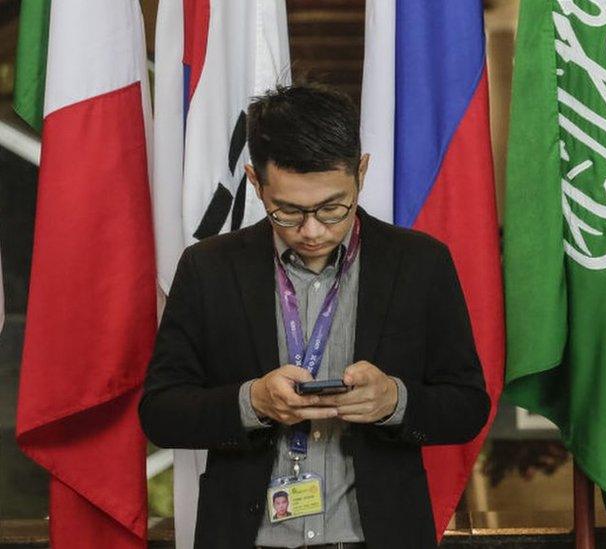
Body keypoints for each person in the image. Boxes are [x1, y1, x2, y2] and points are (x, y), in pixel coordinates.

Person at [139, 83, 490, 549]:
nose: (310, 231)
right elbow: (161, 413)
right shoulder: (209, 268)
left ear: (360, 172)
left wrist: (393, 401)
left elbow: (467, 406)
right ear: (255, 181)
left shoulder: (420, 263)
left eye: (332, 208)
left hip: (378, 537)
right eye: (287, 211)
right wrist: (253, 402)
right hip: (248, 537)